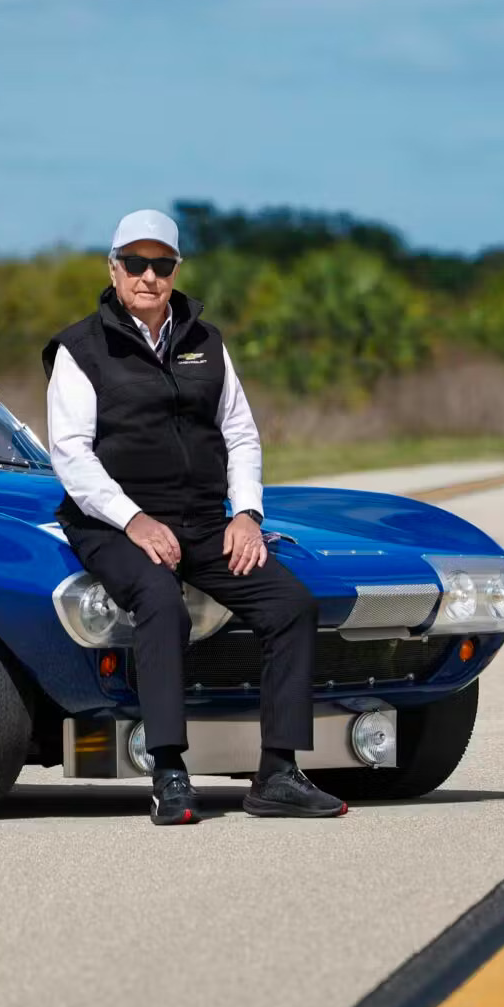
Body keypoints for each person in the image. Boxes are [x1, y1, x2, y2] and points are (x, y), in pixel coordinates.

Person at [44, 209, 345, 824]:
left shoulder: (207, 342)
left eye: (160, 264)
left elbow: (241, 435)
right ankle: (170, 772)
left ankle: (278, 774)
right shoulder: (80, 349)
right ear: (113, 267)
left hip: (206, 519)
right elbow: (70, 455)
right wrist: (133, 521)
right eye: (135, 263)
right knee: (161, 602)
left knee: (291, 606)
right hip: (110, 522)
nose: (147, 276)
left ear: (176, 270)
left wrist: (248, 514)